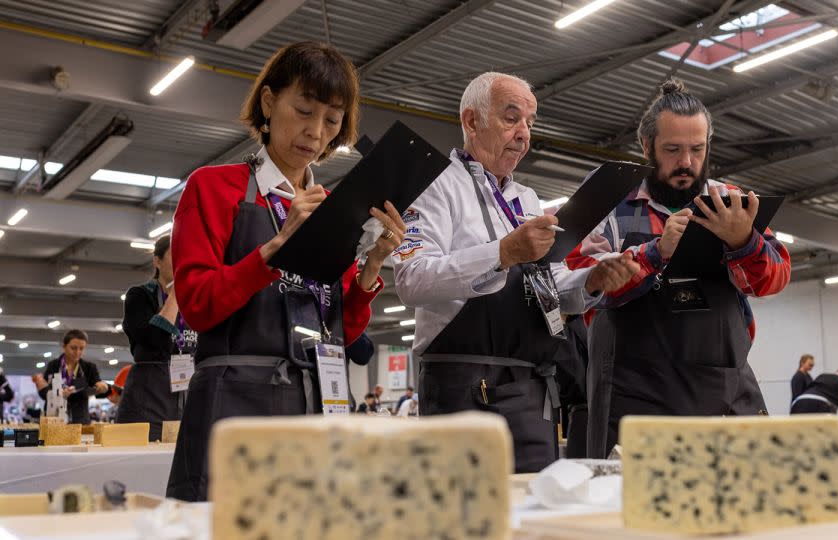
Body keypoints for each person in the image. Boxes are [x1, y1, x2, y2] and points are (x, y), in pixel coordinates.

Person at [166, 41, 403, 502]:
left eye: (331, 121)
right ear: (270, 103)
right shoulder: (214, 187)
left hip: (317, 405)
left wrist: (371, 267)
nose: (315, 132)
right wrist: (273, 249)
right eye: (304, 110)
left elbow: (341, 331)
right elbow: (195, 306)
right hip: (235, 407)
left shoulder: (332, 209)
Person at [394, 72, 641, 473]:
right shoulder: (435, 185)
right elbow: (412, 279)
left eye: (530, 122)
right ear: (472, 121)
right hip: (462, 387)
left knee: (534, 513)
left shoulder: (526, 199)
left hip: (533, 389)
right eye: (512, 118)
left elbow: (549, 285)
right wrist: (503, 252)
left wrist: (592, 280)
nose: (524, 133)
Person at [565, 79, 791, 458]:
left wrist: (744, 242)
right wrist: (656, 252)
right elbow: (579, 280)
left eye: (697, 150)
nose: (686, 163)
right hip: (634, 395)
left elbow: (776, 277)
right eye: (672, 150)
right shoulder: (609, 198)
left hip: (725, 390)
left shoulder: (728, 201)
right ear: (646, 146)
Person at [117, 235, 195, 441]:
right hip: (147, 394)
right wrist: (177, 292)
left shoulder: (195, 299)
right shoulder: (140, 296)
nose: (182, 259)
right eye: (175, 253)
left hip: (185, 392)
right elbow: (153, 337)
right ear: (157, 260)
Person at [33, 330, 109, 424]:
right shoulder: (53, 366)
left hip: (80, 421)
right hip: (54, 420)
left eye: (81, 348)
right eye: (73, 348)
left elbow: (98, 384)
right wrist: (53, 392)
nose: (77, 352)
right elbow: (44, 394)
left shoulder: (89, 368)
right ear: (64, 346)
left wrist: (103, 386)